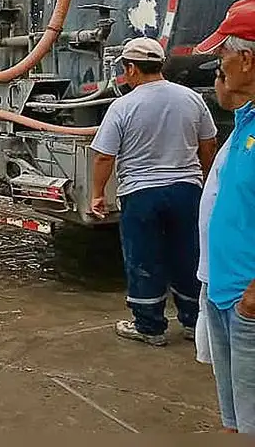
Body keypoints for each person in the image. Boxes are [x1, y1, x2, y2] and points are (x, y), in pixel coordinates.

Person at [89, 36, 218, 346]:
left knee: (144, 258)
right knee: (189, 255)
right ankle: (194, 323)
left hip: (141, 194)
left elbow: (105, 156)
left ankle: (150, 327)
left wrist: (98, 194)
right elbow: (209, 143)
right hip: (186, 191)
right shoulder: (191, 98)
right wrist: (202, 179)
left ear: (132, 68)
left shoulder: (123, 106)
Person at [194, 0, 255, 434]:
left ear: (247, 60)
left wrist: (251, 298)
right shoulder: (246, 120)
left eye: (223, 58)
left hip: (247, 301)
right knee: (235, 422)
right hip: (224, 294)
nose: (220, 67)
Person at [197, 72, 246, 367]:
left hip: (240, 291)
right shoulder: (242, 128)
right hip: (218, 278)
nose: (216, 83)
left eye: (220, 74)